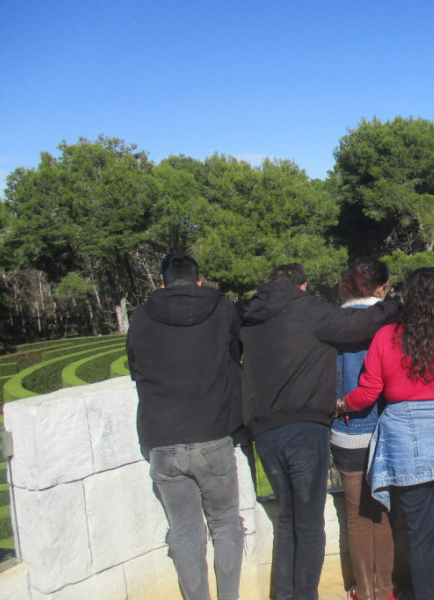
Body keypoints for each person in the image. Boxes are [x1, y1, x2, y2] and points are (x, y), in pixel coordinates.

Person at [240, 263, 399, 600]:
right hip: (304, 427)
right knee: (309, 523)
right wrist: (393, 305)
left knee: (287, 519)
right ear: (303, 286)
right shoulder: (307, 309)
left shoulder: (250, 314)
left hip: (264, 431)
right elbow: (360, 323)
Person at [337, 267, 434, 600]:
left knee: (420, 533)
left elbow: (368, 391)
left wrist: (341, 404)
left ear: (406, 296)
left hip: (406, 441)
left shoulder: (385, 337)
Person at [126, 252, 244, 600]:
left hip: (162, 439)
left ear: (161, 283)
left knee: (185, 533)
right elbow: (237, 351)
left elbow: (135, 368)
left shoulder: (141, 317)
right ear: (198, 281)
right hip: (213, 434)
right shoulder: (222, 308)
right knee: (225, 524)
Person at [331, 258, 396, 600]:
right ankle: (386, 589)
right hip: (387, 427)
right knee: (381, 513)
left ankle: (364, 590)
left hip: (347, 428)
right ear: (381, 287)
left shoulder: (330, 323)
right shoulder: (390, 321)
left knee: (355, 515)